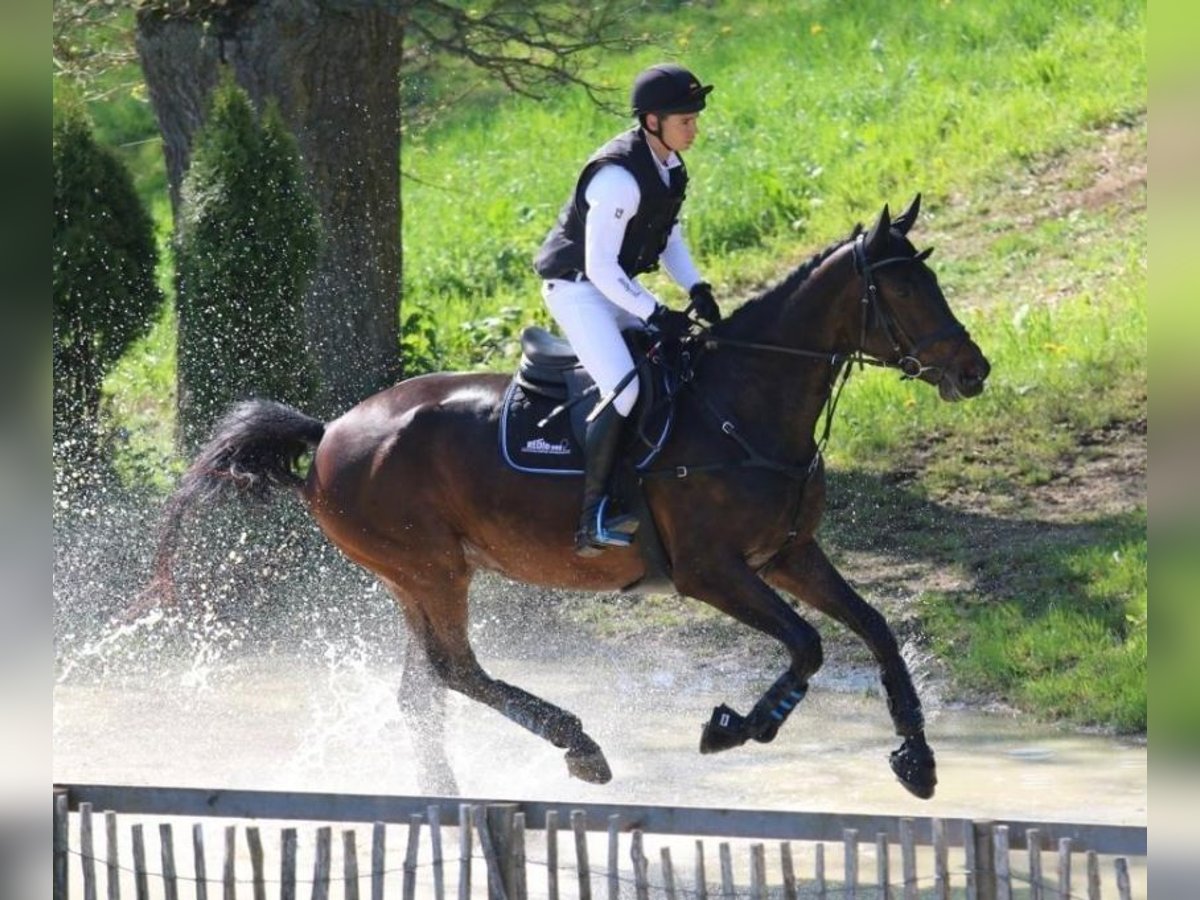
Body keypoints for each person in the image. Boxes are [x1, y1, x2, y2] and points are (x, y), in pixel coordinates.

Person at [533, 63, 722, 557]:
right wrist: (655, 311)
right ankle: (591, 516)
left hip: (612, 288)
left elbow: (670, 238)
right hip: (577, 290)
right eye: (686, 119)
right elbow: (597, 266)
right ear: (653, 121)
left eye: (695, 118)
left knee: (679, 359)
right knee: (626, 386)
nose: (694, 128)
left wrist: (696, 286)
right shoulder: (618, 178)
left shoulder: (669, 165)